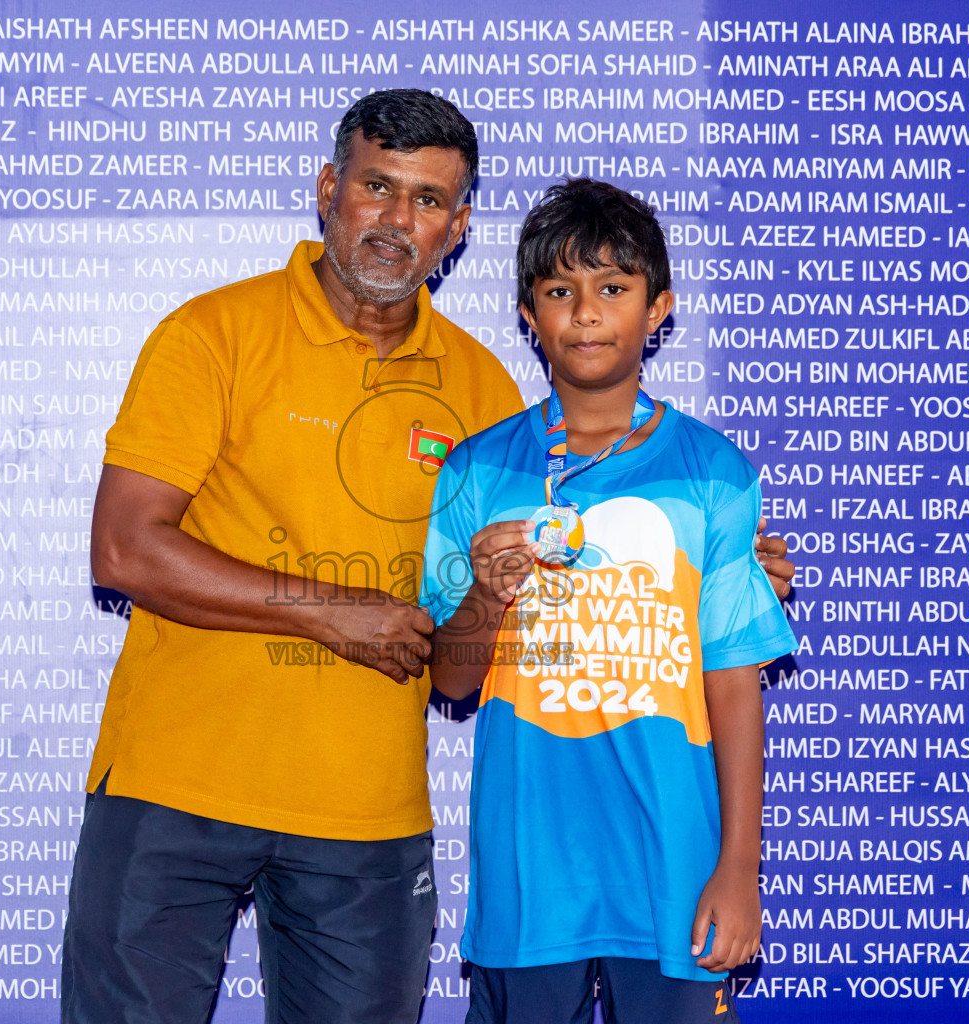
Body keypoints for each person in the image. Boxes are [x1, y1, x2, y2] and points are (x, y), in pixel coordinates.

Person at [62, 90, 794, 1024]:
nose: (396, 221)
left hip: (369, 821)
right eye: (377, 186)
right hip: (175, 789)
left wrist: (716, 576)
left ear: (459, 226)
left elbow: (520, 589)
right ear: (330, 188)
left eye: (428, 199)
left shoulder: (486, 398)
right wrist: (334, 609)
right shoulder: (213, 333)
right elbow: (125, 549)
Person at [423, 179, 797, 1024]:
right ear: (529, 315)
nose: (586, 313)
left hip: (673, 867)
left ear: (658, 308)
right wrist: (485, 594)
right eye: (560, 291)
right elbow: (448, 683)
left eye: (613, 289)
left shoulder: (714, 471)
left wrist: (740, 868)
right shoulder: (479, 470)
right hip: (530, 872)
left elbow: (732, 681)